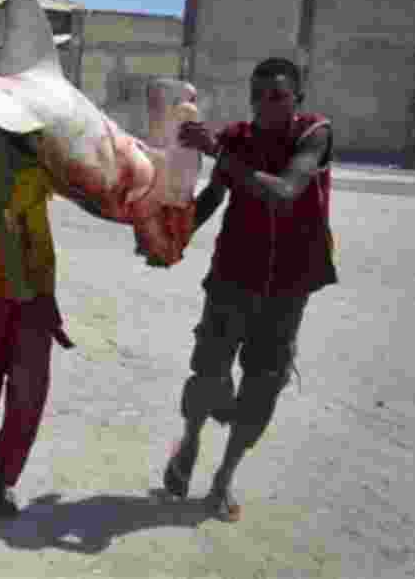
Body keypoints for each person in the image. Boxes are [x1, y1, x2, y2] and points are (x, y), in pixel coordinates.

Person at [158, 57, 337, 522]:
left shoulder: (313, 133)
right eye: (257, 95)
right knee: (208, 374)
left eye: (276, 95)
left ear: (298, 96)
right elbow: (212, 199)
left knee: (261, 388)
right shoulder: (237, 138)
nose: (264, 105)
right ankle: (191, 441)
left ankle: (222, 480)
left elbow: (285, 191)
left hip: (288, 288)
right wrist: (169, 240)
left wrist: (220, 153)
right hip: (232, 278)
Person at [0, 106, 105, 519]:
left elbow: (41, 249)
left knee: (26, 398)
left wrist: (46, 302)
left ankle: (4, 482)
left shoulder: (28, 178)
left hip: (30, 301)